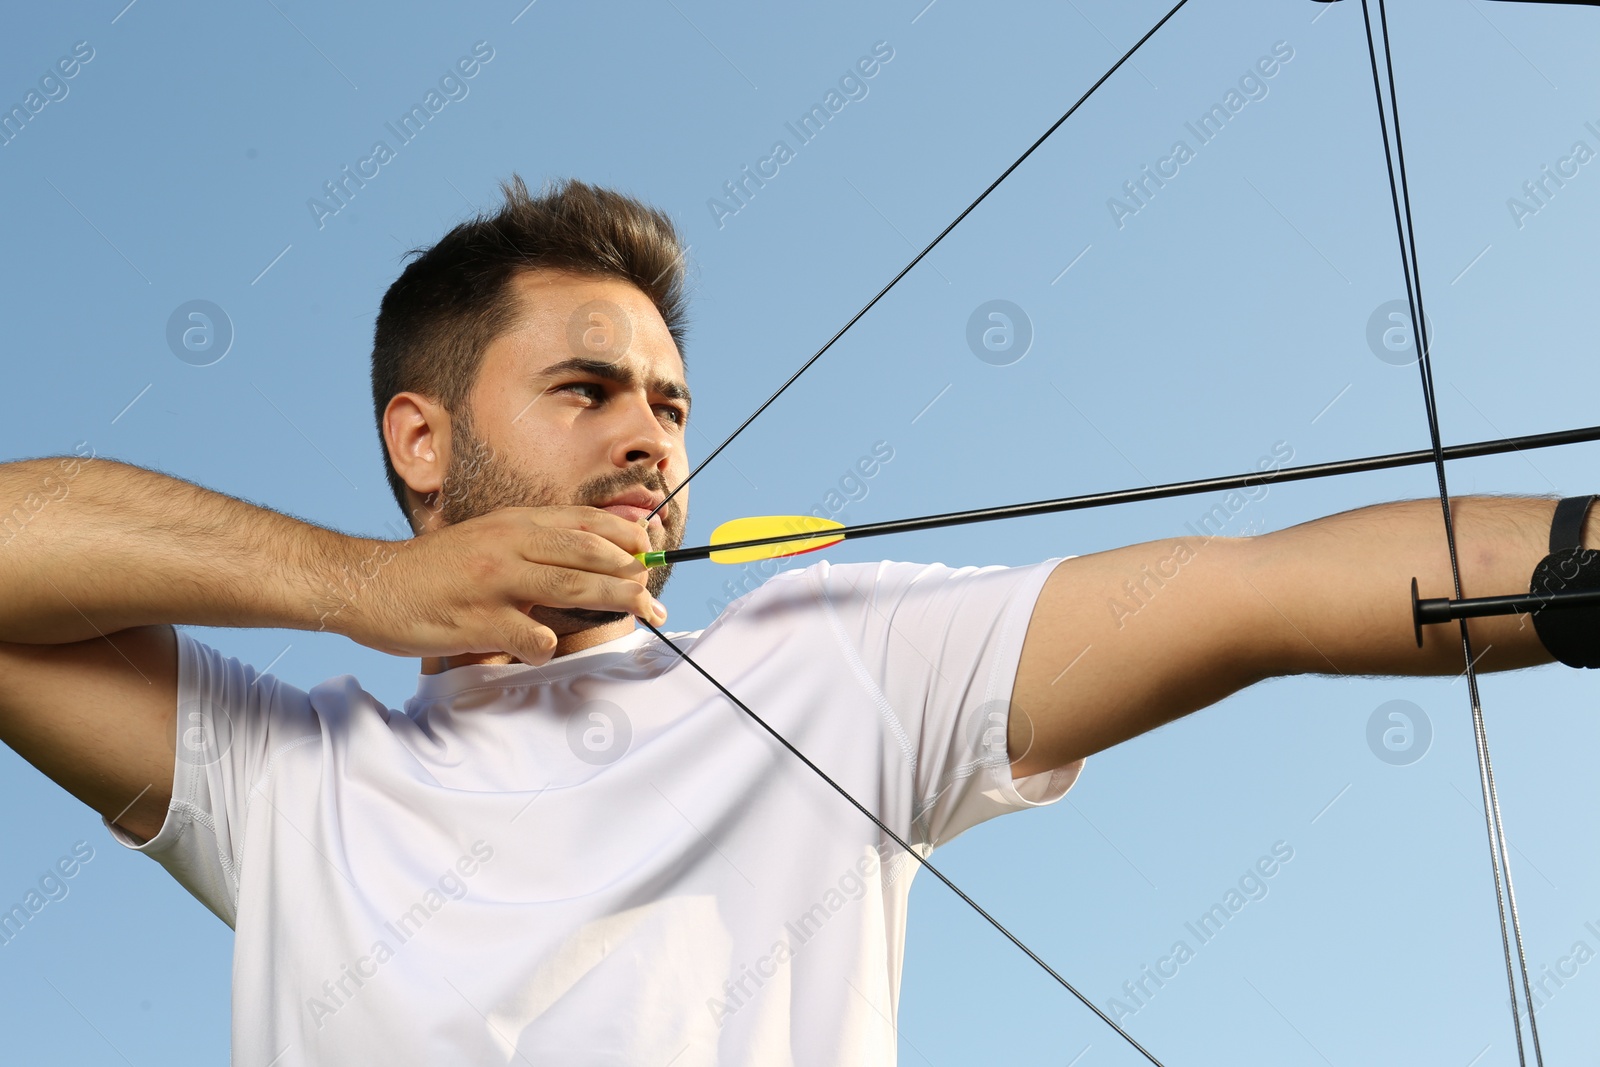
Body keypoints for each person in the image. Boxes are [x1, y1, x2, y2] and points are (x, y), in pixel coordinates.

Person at [0, 174, 1591, 1065]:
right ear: (422, 444)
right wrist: (358, 586)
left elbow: (1260, 595)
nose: (649, 438)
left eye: (670, 406)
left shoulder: (832, 668)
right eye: (584, 389)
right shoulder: (289, 787)